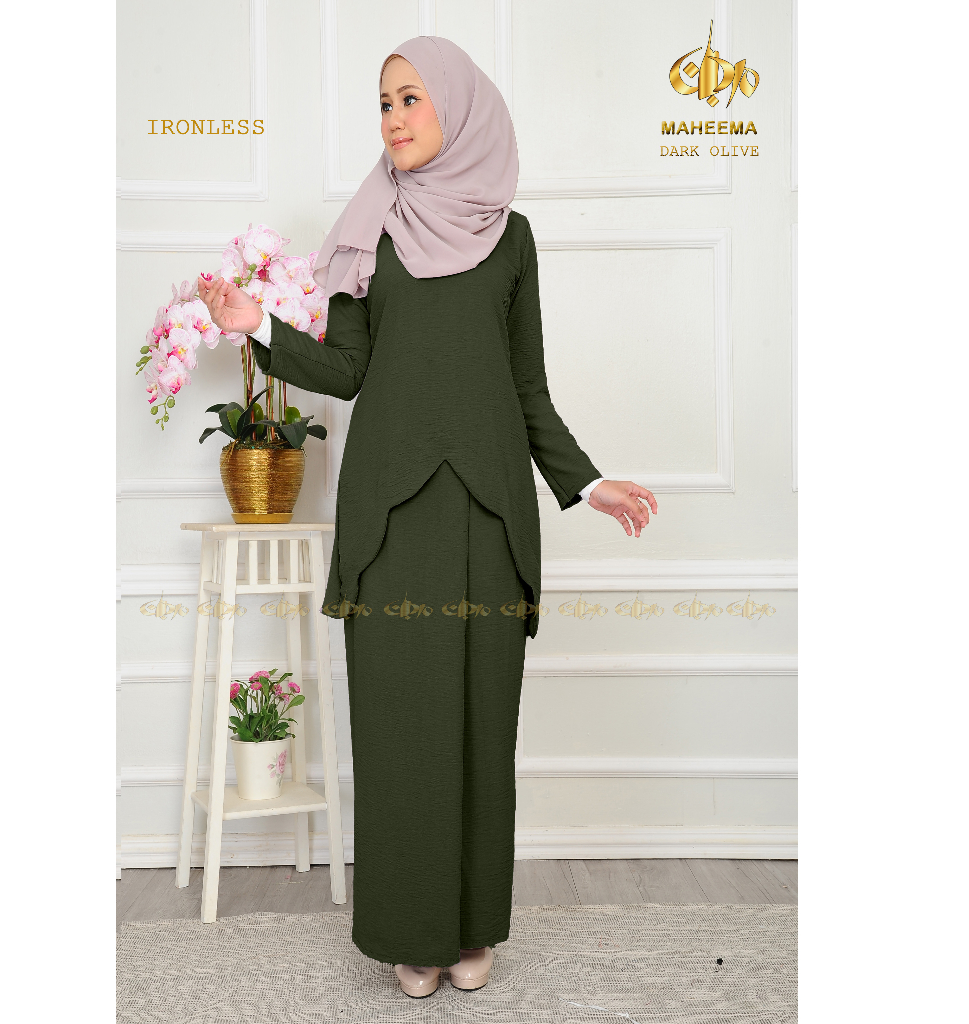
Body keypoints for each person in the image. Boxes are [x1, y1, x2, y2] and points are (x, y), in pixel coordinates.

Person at [198, 34, 657, 999]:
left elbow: (528, 388)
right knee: (401, 726)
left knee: (484, 726)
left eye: (411, 97)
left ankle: (474, 925)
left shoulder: (513, 236)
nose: (394, 117)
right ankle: (412, 933)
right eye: (384, 102)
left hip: (490, 516)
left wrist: (586, 483)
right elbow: (348, 370)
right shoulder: (370, 230)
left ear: (459, 106)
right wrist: (258, 328)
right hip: (393, 520)